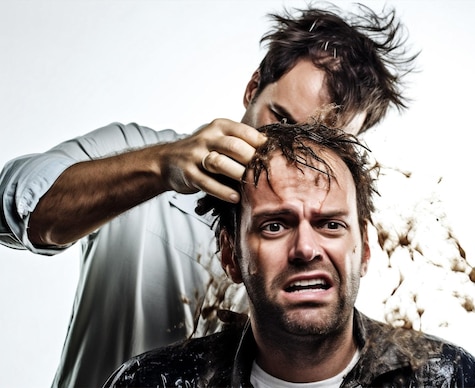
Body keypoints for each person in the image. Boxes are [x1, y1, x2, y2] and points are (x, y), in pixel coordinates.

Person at [0, 3, 418, 387]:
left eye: (315, 141)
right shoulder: (135, 155)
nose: (287, 149)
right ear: (253, 88)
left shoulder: (321, 246)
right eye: (280, 119)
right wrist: (158, 167)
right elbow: (16, 209)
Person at [103, 122, 475, 387]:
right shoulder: (153, 381)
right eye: (275, 225)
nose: (306, 249)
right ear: (230, 253)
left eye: (330, 224)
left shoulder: (448, 379)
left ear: (363, 248)